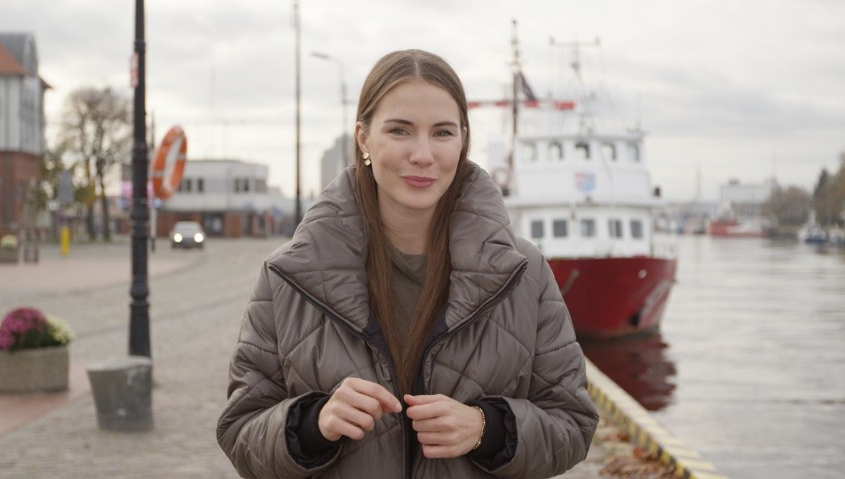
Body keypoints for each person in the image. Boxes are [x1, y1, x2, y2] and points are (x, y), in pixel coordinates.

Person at [217, 49, 598, 478]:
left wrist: (487, 429)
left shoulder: (525, 274)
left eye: (442, 133)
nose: (422, 154)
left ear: (462, 141)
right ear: (363, 138)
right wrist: (312, 424)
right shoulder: (288, 276)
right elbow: (240, 430)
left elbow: (574, 424)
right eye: (400, 130)